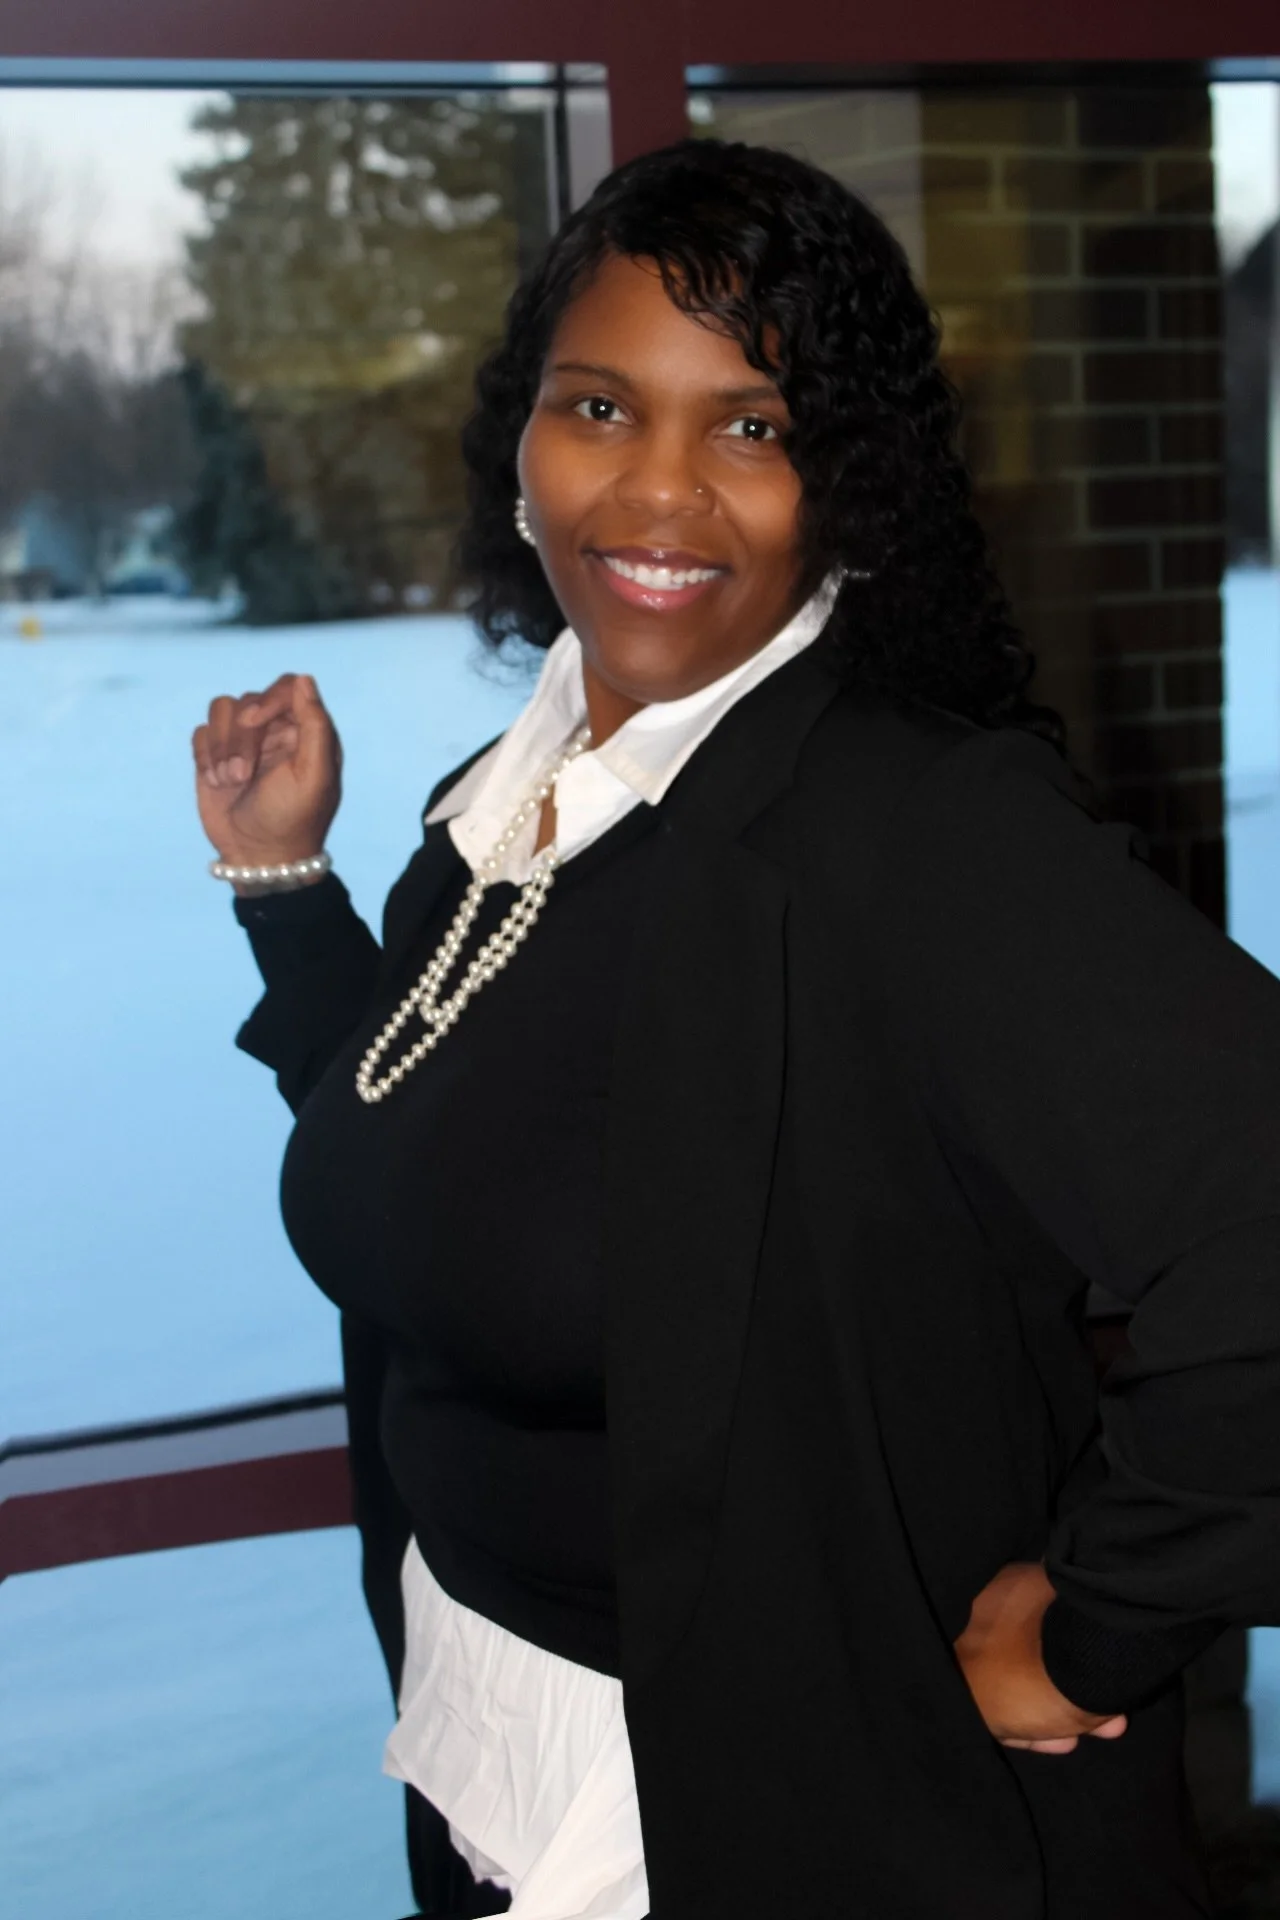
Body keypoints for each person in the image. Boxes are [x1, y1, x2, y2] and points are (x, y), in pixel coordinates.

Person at [190, 138, 1280, 1919]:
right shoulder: (518, 794)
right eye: (602, 407)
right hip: (488, 1747)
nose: (658, 495)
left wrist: (1102, 1623)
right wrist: (287, 890)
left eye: (752, 427)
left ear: (844, 476)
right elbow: (449, 1140)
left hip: (787, 1816)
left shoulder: (918, 833)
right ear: (521, 439)